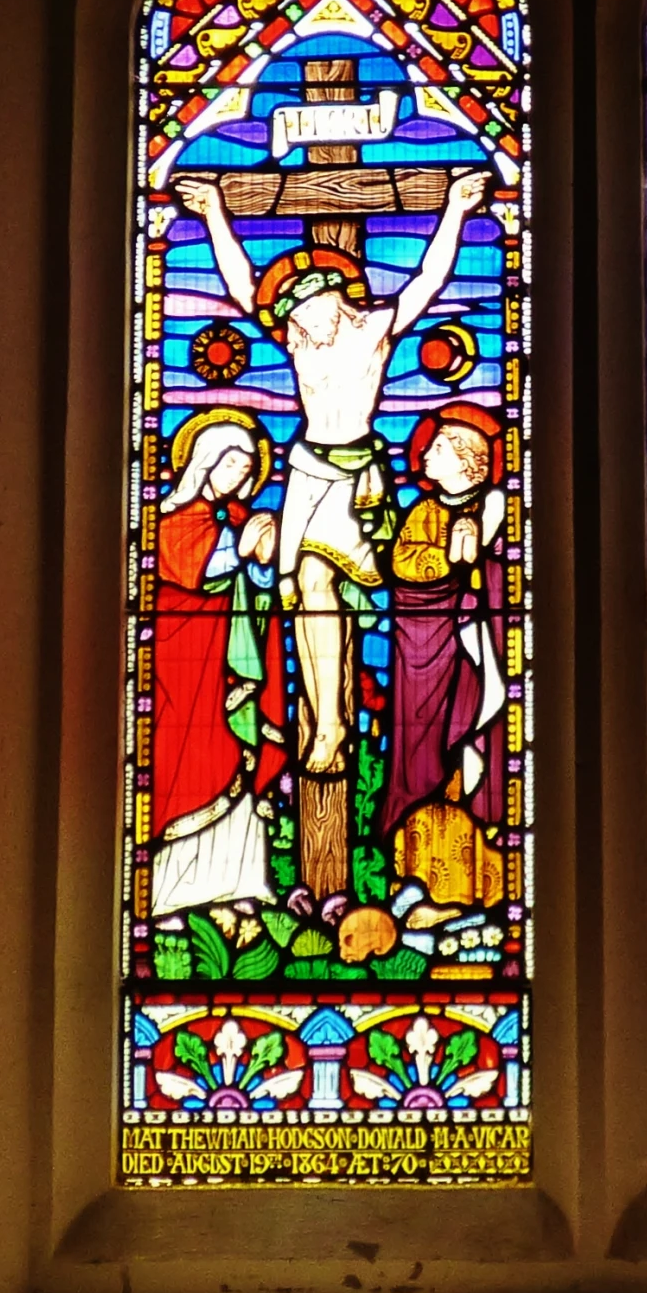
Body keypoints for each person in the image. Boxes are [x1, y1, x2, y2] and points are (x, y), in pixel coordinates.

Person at [176, 171, 489, 795]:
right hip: (306, 471)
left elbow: (429, 280)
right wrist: (214, 211)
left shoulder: (373, 330)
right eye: (288, 315)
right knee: (307, 591)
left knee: (341, 591)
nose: (292, 324)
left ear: (330, 297)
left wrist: (453, 208)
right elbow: (241, 288)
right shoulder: (300, 344)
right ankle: (328, 717)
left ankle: (350, 723)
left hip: (358, 476)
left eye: (298, 309)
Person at [150, 412, 280, 919]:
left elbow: (254, 587)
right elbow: (192, 573)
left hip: (224, 659)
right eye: (231, 464)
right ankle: (172, 892)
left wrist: (262, 559)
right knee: (187, 759)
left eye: (246, 470)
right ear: (204, 462)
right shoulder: (174, 519)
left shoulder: (233, 519)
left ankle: (236, 884)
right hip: (184, 663)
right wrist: (239, 550)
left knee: (233, 757)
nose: (239, 478)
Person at [380, 401, 508, 851]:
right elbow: (402, 563)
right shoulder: (423, 511)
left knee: (475, 708)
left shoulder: (494, 508)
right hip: (420, 634)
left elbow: (493, 571)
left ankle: (475, 807)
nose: (426, 455)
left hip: (474, 635)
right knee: (419, 727)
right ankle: (416, 805)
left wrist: (478, 555)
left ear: (467, 459)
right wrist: (446, 560)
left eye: (438, 447)